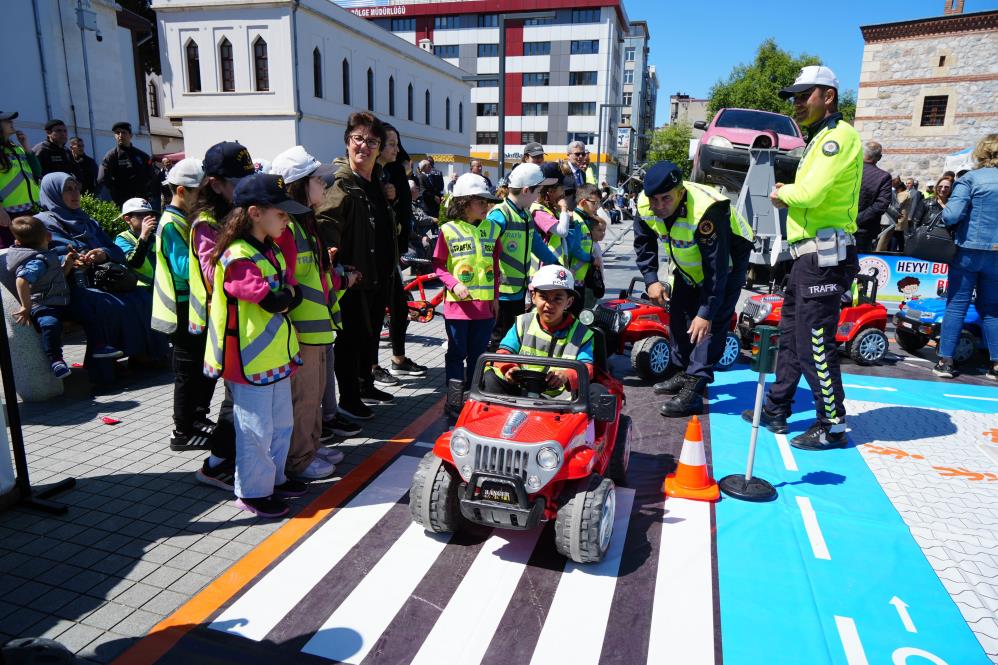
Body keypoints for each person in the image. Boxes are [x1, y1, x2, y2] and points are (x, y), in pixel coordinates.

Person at [750, 65, 862, 450]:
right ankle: (777, 407)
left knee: (815, 342)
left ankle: (832, 425)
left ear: (828, 96)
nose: (797, 103)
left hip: (825, 256)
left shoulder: (838, 137)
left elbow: (810, 194)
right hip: (808, 256)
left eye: (804, 95)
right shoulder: (820, 138)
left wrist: (784, 192)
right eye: (794, 97)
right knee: (791, 337)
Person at [204, 173, 311, 518]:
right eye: (279, 213)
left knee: (282, 425)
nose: (285, 219)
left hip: (274, 356)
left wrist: (287, 295)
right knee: (255, 431)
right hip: (247, 360)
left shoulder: (270, 249)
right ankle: (252, 492)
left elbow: (290, 292)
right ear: (253, 213)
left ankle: (274, 479)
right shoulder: (237, 255)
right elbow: (271, 299)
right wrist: (287, 295)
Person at [634, 162, 754, 417]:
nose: (658, 206)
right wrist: (651, 279)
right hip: (688, 263)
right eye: (653, 199)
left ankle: (694, 390)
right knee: (679, 316)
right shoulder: (644, 204)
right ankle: (682, 372)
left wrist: (706, 313)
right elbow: (643, 242)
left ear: (681, 191)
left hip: (728, 262)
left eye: (666, 198)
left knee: (708, 327)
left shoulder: (707, 212)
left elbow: (716, 270)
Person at [34, 172, 168, 379]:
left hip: (102, 279)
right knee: (106, 305)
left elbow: (116, 251)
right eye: (68, 189)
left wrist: (103, 254)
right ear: (53, 193)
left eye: (77, 188)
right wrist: (70, 260)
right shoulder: (41, 224)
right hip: (68, 286)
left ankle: (142, 355)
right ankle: (104, 369)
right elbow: (37, 257)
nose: (75, 193)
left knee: (142, 297)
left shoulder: (87, 221)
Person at [272, 147, 363, 445]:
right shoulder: (288, 229)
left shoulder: (304, 225)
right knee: (304, 399)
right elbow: (289, 281)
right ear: (298, 185)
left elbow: (317, 277)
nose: (324, 184)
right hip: (303, 331)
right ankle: (301, 456)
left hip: (318, 328)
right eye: (317, 179)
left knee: (313, 396)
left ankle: (311, 448)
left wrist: (339, 277)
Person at [315, 111, 397, 420]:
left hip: (378, 273)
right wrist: (335, 262)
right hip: (353, 276)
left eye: (371, 141)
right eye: (357, 139)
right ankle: (349, 397)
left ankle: (364, 385)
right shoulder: (341, 180)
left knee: (370, 335)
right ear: (347, 142)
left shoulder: (374, 180)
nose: (364, 146)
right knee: (350, 340)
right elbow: (326, 221)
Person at [187, 141, 255, 481]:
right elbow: (215, 273)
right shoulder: (206, 222)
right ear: (214, 184)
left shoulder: (237, 211)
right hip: (226, 323)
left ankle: (238, 457)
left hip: (248, 321)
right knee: (234, 399)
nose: (243, 188)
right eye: (236, 182)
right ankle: (216, 464)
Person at [150, 157, 220, 455]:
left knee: (201, 369)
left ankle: (197, 418)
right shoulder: (171, 223)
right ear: (181, 190)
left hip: (193, 305)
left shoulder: (185, 220)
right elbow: (182, 267)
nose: (204, 199)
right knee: (187, 372)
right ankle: (182, 431)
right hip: (180, 309)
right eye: (199, 192)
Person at [8, 216, 122, 378]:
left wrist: (67, 263)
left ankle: (98, 346)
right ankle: (56, 359)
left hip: (60, 301)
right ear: (48, 236)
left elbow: (56, 277)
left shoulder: (46, 254)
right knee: (50, 324)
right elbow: (22, 280)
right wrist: (26, 307)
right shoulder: (37, 261)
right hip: (43, 305)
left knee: (88, 312)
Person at [433, 173, 502, 417]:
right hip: (458, 309)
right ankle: (453, 402)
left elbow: (495, 266)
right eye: (481, 201)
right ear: (463, 202)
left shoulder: (493, 229)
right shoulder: (448, 231)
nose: (486, 206)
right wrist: (453, 284)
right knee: (456, 354)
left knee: (478, 357)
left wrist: (495, 297)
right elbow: (439, 266)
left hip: (484, 309)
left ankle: (473, 399)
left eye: (487, 202)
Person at [934, 134, 998, 381]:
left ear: (981, 153)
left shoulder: (970, 179)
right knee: (993, 309)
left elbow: (951, 216)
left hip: (969, 251)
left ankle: (946, 361)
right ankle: (995, 364)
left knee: (957, 305)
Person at [486, 264, 595, 397]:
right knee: (489, 377)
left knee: (595, 393)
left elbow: (586, 368)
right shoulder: (522, 323)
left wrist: (566, 376)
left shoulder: (581, 334)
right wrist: (510, 369)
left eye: (558, 298)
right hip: (519, 390)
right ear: (533, 297)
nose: (549, 305)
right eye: (543, 297)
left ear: (569, 302)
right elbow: (504, 352)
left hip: (558, 399)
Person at [486, 163, 560, 350]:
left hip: (518, 291)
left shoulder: (525, 215)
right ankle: (492, 375)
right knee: (499, 339)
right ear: (526, 190)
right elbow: (485, 253)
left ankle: (508, 372)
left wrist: (556, 264)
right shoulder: (499, 215)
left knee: (514, 337)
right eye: (539, 191)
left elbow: (536, 244)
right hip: (501, 294)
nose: (539, 196)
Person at [378, 124, 428, 381]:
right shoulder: (373, 173)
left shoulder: (395, 167)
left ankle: (398, 358)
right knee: (378, 312)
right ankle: (371, 367)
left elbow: (407, 164)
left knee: (399, 307)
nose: (397, 150)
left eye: (397, 144)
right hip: (376, 253)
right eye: (391, 144)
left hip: (395, 247)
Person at [1, 111, 42, 248]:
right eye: (7, 121)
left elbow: (37, 171)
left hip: (28, 208)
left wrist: (25, 146)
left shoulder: (16, 148)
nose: (11, 123)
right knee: (10, 252)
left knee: (32, 250)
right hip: (7, 212)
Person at [97, 121, 156, 208]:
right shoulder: (111, 155)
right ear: (114, 136)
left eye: (123, 132)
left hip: (141, 201)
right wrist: (116, 190)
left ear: (130, 135)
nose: (120, 135)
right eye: (117, 133)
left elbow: (151, 175)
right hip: (122, 202)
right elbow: (102, 179)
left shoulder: (142, 155)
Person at [855, 141, 892, 252]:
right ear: (879, 157)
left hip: (840, 226)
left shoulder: (849, 170)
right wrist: (857, 219)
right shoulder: (883, 177)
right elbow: (881, 204)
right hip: (863, 230)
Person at [114, 198, 158, 288]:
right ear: (127, 219)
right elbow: (134, 263)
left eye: (148, 214)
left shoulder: (156, 237)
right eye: (140, 215)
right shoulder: (122, 238)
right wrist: (144, 236)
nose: (147, 218)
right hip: (139, 290)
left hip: (160, 289)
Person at [876, 176, 912, 252]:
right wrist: (897, 214)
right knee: (882, 243)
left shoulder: (893, 191)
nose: (899, 183)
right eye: (898, 181)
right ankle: (879, 257)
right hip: (888, 219)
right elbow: (889, 205)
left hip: (889, 220)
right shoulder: (889, 191)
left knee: (885, 241)